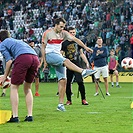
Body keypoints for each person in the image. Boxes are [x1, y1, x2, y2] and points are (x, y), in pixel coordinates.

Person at [41, 17, 97, 111]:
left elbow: (76, 40)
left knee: (63, 80)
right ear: (56, 25)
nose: (62, 29)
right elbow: (43, 47)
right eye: (61, 26)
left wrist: (85, 47)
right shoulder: (47, 33)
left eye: (63, 27)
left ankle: (60, 105)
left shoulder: (64, 33)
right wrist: (45, 62)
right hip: (50, 55)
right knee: (65, 60)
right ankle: (82, 71)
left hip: (58, 56)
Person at [0, 30, 40, 122]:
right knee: (28, 88)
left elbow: (9, 61)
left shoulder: (2, 44)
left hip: (23, 58)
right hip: (35, 58)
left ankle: (15, 116)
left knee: (14, 87)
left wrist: (5, 76)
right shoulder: (17, 41)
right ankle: (29, 116)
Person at [61, 27, 89, 105]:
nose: (72, 34)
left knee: (80, 82)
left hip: (77, 64)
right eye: (71, 32)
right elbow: (62, 53)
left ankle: (83, 99)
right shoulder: (64, 43)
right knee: (68, 83)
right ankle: (69, 100)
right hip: (69, 65)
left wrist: (86, 62)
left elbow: (81, 53)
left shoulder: (78, 42)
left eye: (74, 32)